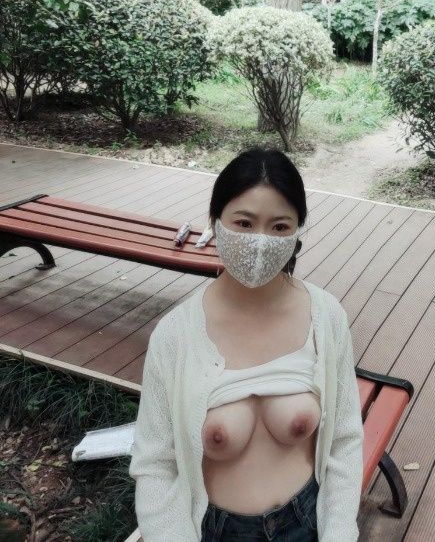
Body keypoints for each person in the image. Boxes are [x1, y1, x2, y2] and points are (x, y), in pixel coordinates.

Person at [128, 146, 364, 542]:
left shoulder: (326, 316)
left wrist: (339, 532)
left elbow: (344, 439)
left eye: (279, 227)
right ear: (215, 222)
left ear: (297, 231)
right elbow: (156, 463)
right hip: (216, 530)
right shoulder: (175, 334)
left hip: (305, 522)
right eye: (243, 222)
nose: (260, 241)